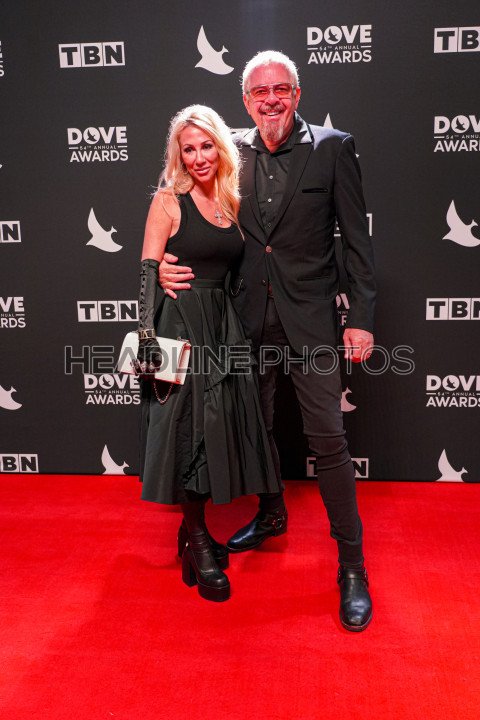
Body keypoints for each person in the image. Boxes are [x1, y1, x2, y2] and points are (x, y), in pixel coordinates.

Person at [160, 51, 376, 631]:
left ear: (297, 95)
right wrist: (159, 265)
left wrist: (360, 318)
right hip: (243, 320)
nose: (272, 99)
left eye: (282, 89)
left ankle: (352, 566)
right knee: (252, 428)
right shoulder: (227, 149)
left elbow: (358, 244)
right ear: (246, 100)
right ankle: (274, 512)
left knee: (328, 438)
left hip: (312, 321)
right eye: (260, 92)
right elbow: (180, 201)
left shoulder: (333, 147)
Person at [135, 104, 281, 603]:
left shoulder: (229, 201)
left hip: (224, 327)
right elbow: (146, 275)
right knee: (189, 428)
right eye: (188, 149)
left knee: (217, 426)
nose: (198, 157)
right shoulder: (167, 200)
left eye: (206, 146)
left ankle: (189, 536)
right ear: (177, 155)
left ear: (221, 148)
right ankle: (198, 540)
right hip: (181, 327)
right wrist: (150, 343)